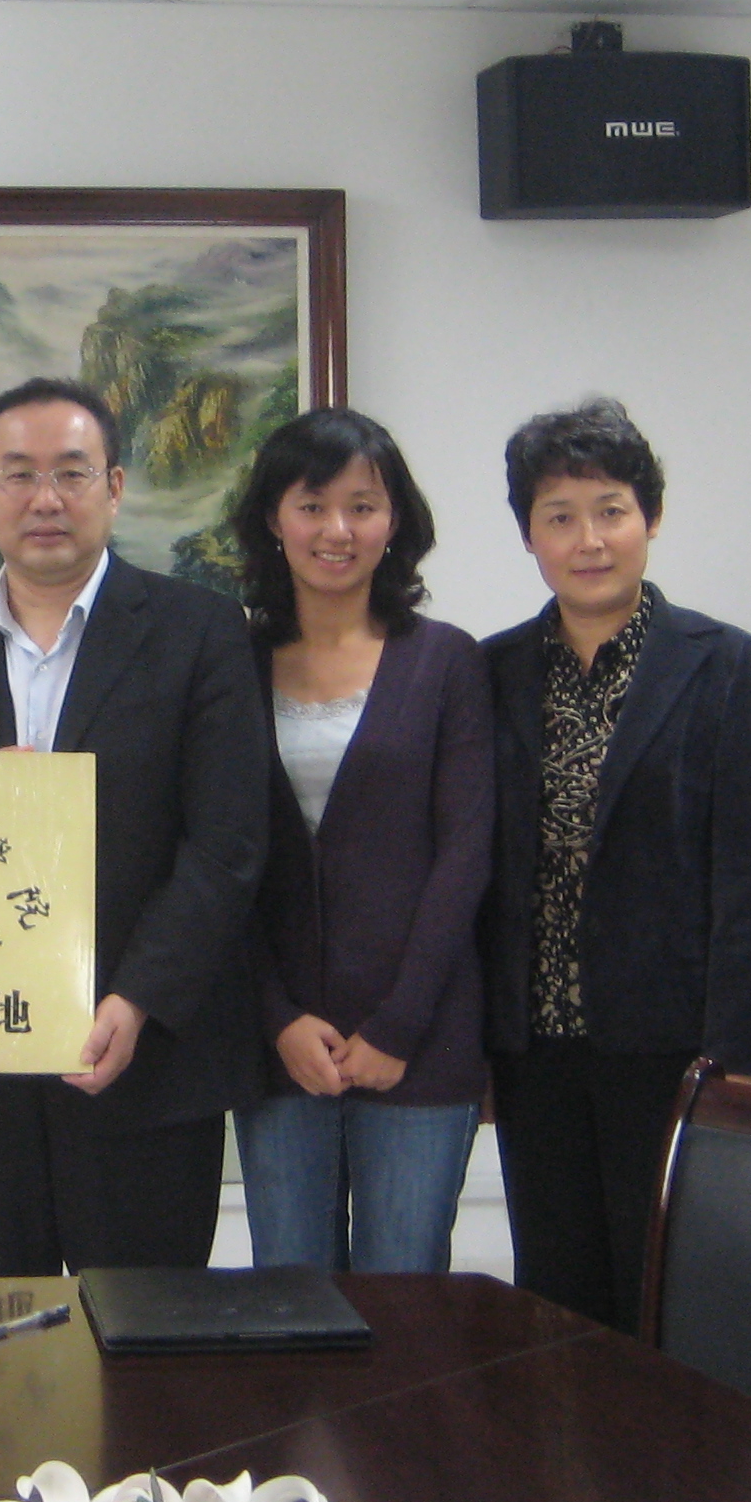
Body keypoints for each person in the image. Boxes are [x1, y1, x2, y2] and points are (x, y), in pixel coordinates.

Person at [0, 377, 267, 1276]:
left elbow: (227, 847)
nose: (45, 499)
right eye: (18, 474)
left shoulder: (200, 632)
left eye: (72, 473)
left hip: (148, 1062)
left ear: (114, 488)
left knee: (144, 1339)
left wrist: (137, 998)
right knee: (4, 1336)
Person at [481, 397, 751, 1333]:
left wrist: (740, 1061)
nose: (589, 540)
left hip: (671, 1046)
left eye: (610, 510)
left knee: (669, 1289)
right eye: (559, 516)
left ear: (650, 518)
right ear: (528, 535)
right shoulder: (492, 672)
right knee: (556, 1290)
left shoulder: (722, 665)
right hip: (535, 1048)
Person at [230, 408, 493, 1273]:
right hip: (281, 1045)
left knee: (406, 1299)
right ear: (274, 519)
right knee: (292, 1298)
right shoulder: (231, 662)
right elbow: (218, 857)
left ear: (395, 521)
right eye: (312, 505)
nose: (336, 530)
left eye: (362, 506)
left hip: (420, 1042)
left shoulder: (447, 661)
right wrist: (276, 1019)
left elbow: (465, 855)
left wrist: (398, 1026)